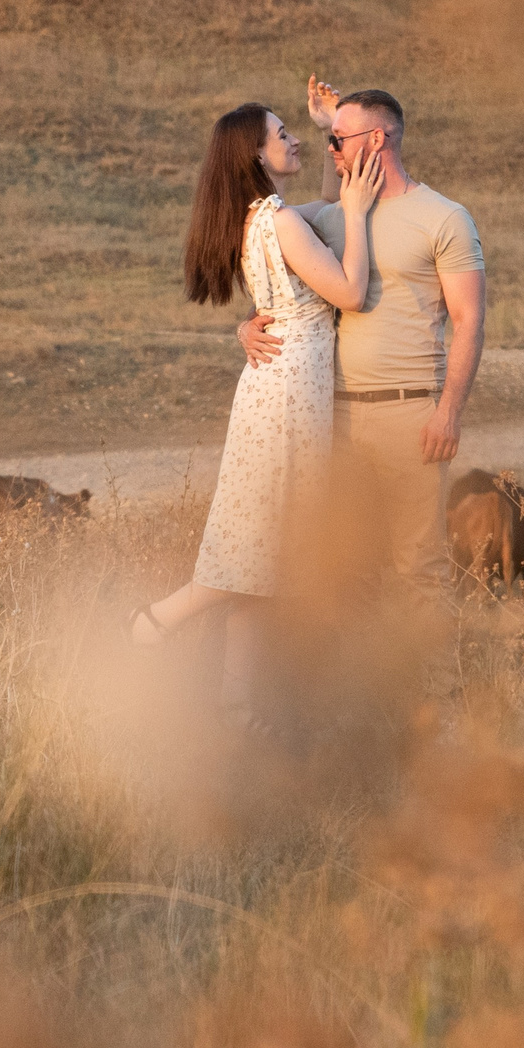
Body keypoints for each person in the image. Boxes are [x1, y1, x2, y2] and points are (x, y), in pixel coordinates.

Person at [130, 102, 383, 721]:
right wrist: (355, 211)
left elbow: (320, 231)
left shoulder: (259, 219)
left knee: (263, 551)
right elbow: (348, 290)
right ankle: (155, 619)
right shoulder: (279, 223)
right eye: (283, 135)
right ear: (255, 155)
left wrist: (331, 135)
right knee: (258, 547)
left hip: (274, 391)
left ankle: (237, 706)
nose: (293, 141)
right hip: (288, 399)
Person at [239, 79, 485, 597]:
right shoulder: (333, 217)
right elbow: (264, 240)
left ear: (378, 140)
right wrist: (247, 321)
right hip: (336, 417)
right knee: (346, 568)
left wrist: (448, 412)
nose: (328, 149)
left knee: (420, 572)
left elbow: (469, 320)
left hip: (410, 416)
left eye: (338, 140)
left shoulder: (445, 218)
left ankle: (437, 683)